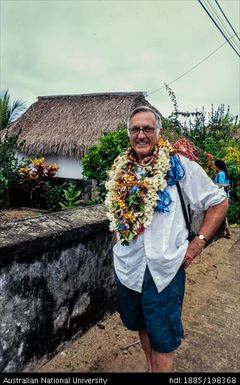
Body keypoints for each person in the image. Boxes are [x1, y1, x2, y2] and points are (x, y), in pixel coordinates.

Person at [105, 106, 229, 372]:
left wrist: (197, 244)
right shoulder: (120, 170)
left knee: (164, 337)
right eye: (135, 129)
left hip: (164, 268)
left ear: (158, 132)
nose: (141, 135)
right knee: (142, 325)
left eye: (147, 129)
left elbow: (219, 202)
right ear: (129, 133)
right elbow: (115, 214)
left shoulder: (180, 167)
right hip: (128, 266)